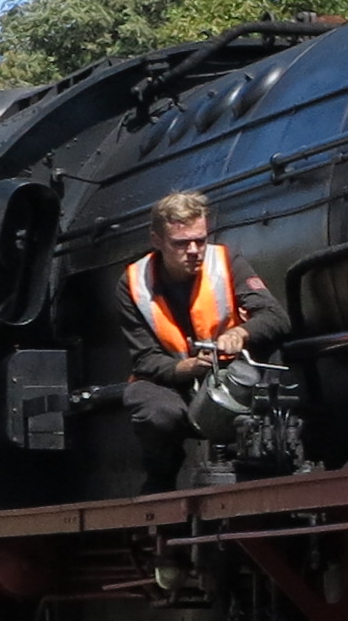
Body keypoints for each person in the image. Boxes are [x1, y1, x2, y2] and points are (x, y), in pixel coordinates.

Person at [119, 189, 284, 492]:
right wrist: (188, 368)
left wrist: (240, 333)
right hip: (173, 382)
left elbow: (275, 316)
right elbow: (144, 358)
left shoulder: (227, 262)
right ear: (157, 241)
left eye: (200, 240)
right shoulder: (133, 283)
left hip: (229, 376)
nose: (194, 250)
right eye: (181, 243)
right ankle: (162, 479)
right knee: (153, 409)